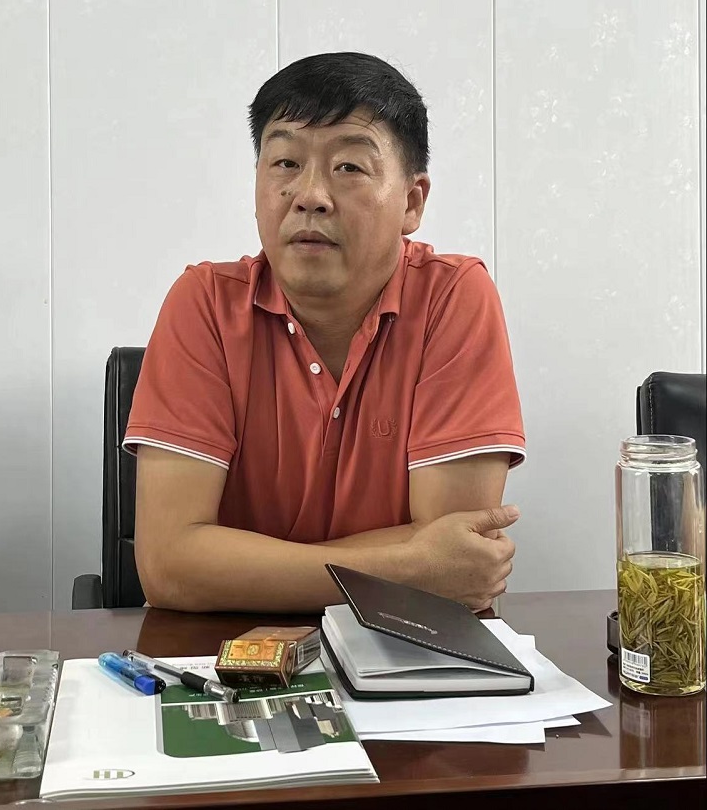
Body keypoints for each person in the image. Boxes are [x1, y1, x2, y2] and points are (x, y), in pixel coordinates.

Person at [125, 52, 525, 614]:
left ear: (412, 202)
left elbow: (456, 555)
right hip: (229, 653)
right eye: (285, 162)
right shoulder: (205, 304)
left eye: (349, 167)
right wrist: (406, 567)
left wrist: (233, 564)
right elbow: (169, 567)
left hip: (407, 646)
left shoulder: (453, 298)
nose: (309, 195)